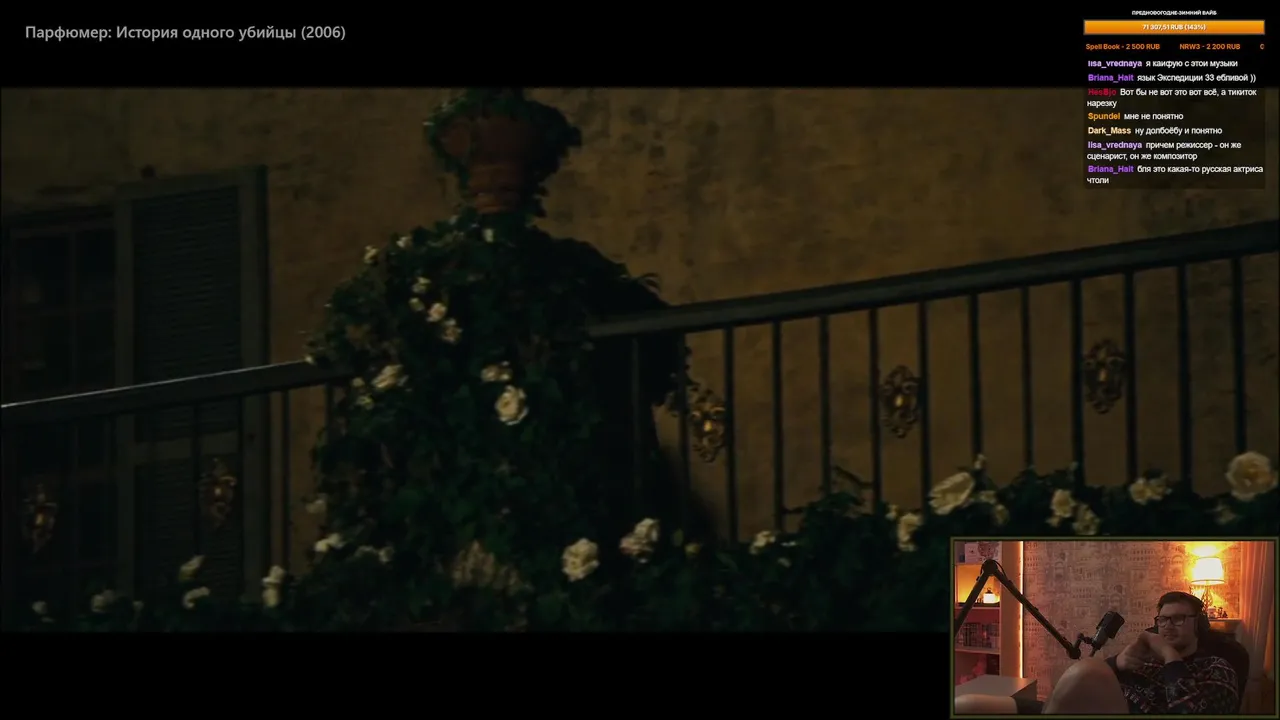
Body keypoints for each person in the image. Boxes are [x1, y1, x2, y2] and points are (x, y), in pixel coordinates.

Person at [954, 591, 1240, 715]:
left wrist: (1170, 657)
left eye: (1178, 619)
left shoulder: (1217, 668)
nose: (1167, 626)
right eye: (1162, 620)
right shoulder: (1143, 658)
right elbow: (1094, 686)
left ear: (1199, 624)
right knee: (967, 705)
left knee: (1088, 669)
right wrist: (1118, 662)